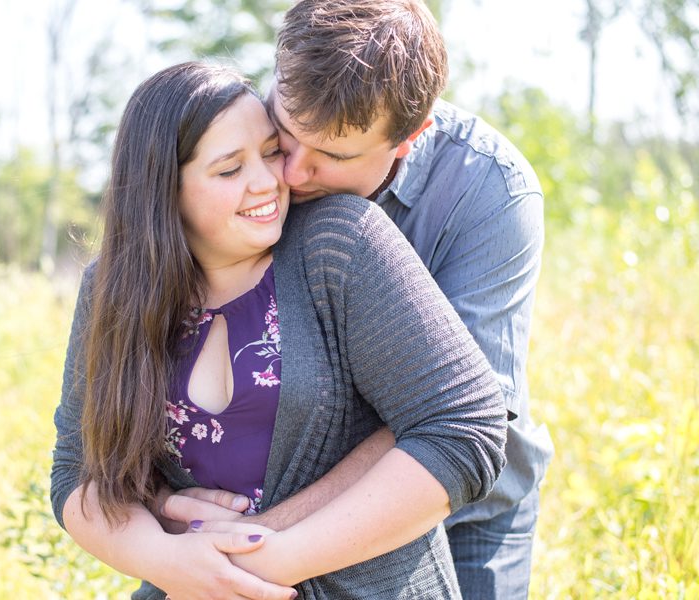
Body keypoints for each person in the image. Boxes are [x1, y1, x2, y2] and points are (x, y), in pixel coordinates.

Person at [50, 61, 508, 599]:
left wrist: (269, 561)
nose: (270, 180)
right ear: (162, 190)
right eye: (229, 169)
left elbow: (463, 427)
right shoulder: (112, 290)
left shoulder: (338, 243)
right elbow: (78, 472)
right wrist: (173, 563)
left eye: (270, 151)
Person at [159, 1, 555, 599]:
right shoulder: (251, 162)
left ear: (408, 139)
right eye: (283, 134)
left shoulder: (488, 193)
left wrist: (248, 542)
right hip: (282, 525)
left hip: (460, 510)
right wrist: (170, 510)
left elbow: (452, 418)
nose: (287, 174)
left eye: (333, 156)